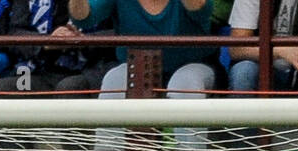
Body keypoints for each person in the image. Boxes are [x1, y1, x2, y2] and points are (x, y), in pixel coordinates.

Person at [72, 0, 217, 111]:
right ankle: (109, 150)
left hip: (196, 65)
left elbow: (200, 9)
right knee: (114, 80)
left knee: (185, 83)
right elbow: (84, 19)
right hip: (135, 66)